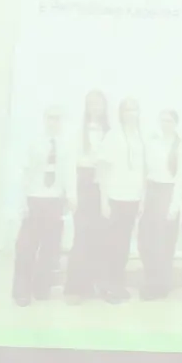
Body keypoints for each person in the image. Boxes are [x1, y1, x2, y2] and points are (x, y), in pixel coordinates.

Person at [13, 105, 70, 306]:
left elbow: (68, 174)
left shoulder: (65, 145)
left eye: (58, 118)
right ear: (45, 119)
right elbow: (24, 174)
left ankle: (41, 288)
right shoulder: (34, 143)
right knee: (26, 248)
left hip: (55, 200)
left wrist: (69, 198)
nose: (54, 122)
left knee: (50, 248)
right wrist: (22, 203)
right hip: (34, 199)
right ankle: (21, 291)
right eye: (51, 118)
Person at [98, 97, 146, 304]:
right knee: (112, 244)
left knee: (124, 245)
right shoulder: (113, 136)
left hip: (133, 198)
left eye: (134, 110)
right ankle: (106, 286)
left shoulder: (139, 137)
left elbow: (142, 171)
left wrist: (141, 199)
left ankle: (117, 284)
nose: (130, 114)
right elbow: (103, 169)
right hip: (114, 198)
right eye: (127, 110)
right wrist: (104, 201)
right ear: (121, 113)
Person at [64, 91, 111, 303]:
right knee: (81, 235)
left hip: (103, 186)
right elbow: (69, 164)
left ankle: (94, 284)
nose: (95, 107)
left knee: (99, 237)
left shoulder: (110, 132)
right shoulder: (77, 131)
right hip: (83, 184)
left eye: (98, 104)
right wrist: (71, 194)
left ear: (104, 107)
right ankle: (74, 288)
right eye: (91, 104)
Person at [137, 109, 182, 301]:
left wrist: (174, 206)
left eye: (169, 121)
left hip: (168, 193)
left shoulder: (180, 147)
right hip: (151, 192)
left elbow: (181, 178)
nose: (165, 124)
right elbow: (145, 172)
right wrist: (143, 199)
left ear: (175, 123)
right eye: (163, 120)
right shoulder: (152, 143)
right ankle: (150, 279)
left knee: (164, 243)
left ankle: (161, 286)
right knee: (145, 241)